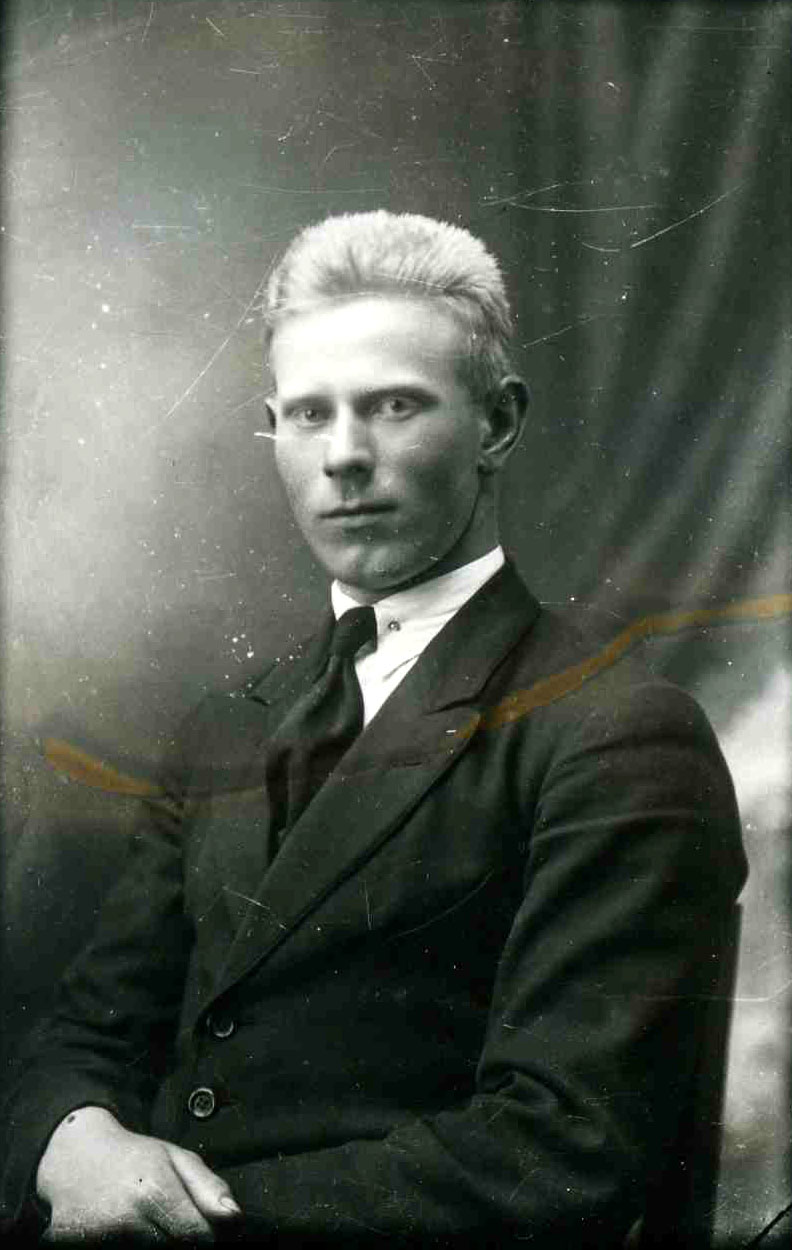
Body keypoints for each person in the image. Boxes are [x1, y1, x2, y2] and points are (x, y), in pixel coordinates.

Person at [1, 211, 746, 1247]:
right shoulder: (224, 727)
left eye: (395, 405)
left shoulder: (615, 733)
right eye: (309, 414)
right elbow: (91, 1027)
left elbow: (562, 1146)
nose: (344, 456)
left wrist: (179, 1221)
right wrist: (71, 1141)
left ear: (498, 423)